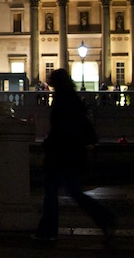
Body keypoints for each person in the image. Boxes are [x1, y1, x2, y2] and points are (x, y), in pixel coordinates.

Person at [32, 68, 117, 242]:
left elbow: (60, 129)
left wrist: (47, 145)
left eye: (51, 78)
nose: (49, 80)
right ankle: (105, 218)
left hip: (62, 156)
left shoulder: (62, 100)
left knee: (52, 193)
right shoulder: (71, 97)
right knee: (73, 193)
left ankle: (48, 231)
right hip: (71, 155)